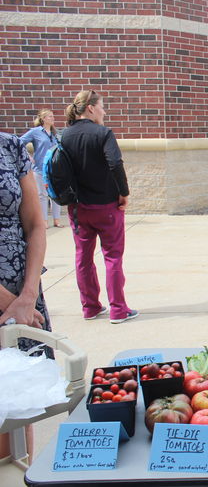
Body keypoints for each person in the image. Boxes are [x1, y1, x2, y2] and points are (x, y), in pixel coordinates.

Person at [62, 90, 137, 324]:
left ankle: (91, 308)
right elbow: (114, 163)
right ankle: (118, 310)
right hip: (106, 206)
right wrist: (124, 193)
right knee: (113, 257)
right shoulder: (103, 133)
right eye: (102, 106)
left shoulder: (65, 135)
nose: (104, 111)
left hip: (78, 208)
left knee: (83, 258)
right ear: (91, 108)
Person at [0, 132, 51, 463]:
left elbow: (35, 224)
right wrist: (9, 303)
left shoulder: (10, 145)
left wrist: (28, 294)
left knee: (21, 402)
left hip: (24, 293)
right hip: (13, 304)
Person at [19, 109, 63, 228]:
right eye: (49, 116)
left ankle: (56, 219)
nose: (52, 118)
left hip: (54, 168)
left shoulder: (55, 133)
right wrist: (27, 156)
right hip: (39, 168)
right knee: (42, 195)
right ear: (43, 119)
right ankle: (44, 220)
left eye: (53, 116)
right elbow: (19, 142)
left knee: (55, 194)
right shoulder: (35, 132)